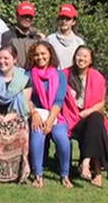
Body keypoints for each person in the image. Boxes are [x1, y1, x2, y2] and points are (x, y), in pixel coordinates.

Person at [0, 45, 32, 185]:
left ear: (15, 59)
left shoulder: (24, 78)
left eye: (6, 58)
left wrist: (11, 116)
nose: (2, 61)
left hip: (15, 115)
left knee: (21, 128)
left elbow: (25, 103)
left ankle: (17, 173)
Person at [25, 41, 73, 189]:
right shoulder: (28, 75)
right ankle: (38, 175)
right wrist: (34, 114)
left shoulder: (59, 75)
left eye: (43, 54)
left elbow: (59, 100)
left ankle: (65, 175)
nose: (40, 57)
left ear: (50, 54)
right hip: (37, 113)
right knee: (37, 134)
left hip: (56, 115)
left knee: (61, 138)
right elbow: (25, 98)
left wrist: (52, 119)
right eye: (37, 54)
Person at [63, 45, 108, 188]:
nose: (81, 58)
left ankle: (86, 163)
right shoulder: (65, 74)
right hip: (71, 119)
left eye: (85, 56)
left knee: (96, 120)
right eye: (79, 55)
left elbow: (101, 102)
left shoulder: (97, 77)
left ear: (91, 60)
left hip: (88, 116)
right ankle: (95, 171)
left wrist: (88, 111)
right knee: (96, 124)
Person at [1, 1, 43, 68]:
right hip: (14, 75)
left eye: (30, 16)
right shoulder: (8, 36)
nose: (27, 19)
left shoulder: (37, 37)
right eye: (25, 16)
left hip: (33, 75)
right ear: (17, 16)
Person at [46, 4, 85, 69]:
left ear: (73, 22)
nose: (64, 21)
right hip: (56, 78)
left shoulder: (79, 42)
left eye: (68, 19)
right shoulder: (50, 40)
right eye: (62, 18)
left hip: (73, 78)